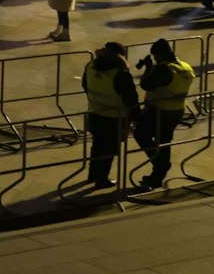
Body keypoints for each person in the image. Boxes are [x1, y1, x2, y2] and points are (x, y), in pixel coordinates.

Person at [136, 38, 195, 190]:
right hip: (177, 110)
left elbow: (146, 84)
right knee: (164, 142)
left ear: (159, 54)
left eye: (155, 56)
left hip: (158, 110)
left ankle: (160, 164)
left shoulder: (163, 69)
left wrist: (149, 69)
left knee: (141, 135)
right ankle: (157, 174)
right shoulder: (185, 66)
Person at [80, 40, 139, 189]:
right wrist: (136, 117)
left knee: (97, 144)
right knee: (110, 149)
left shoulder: (91, 66)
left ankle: (92, 174)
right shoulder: (120, 74)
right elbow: (131, 99)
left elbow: (84, 85)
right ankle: (102, 179)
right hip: (114, 117)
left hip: (94, 112)